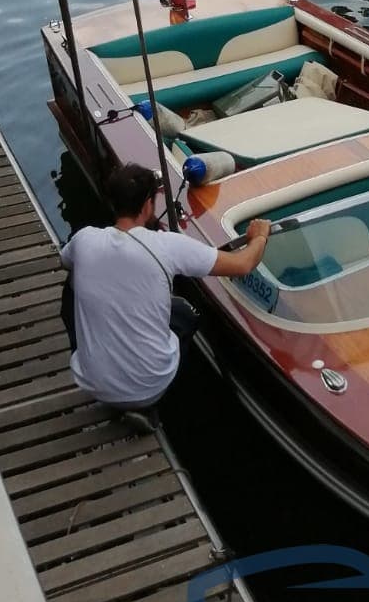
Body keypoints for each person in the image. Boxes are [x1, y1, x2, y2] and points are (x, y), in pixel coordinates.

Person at [59, 161, 271, 418]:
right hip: (150, 388)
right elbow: (243, 264)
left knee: (72, 283)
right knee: (184, 313)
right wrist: (259, 236)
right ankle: (156, 404)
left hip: (91, 382)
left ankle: (89, 353)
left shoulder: (84, 239)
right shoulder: (167, 245)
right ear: (148, 204)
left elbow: (65, 261)